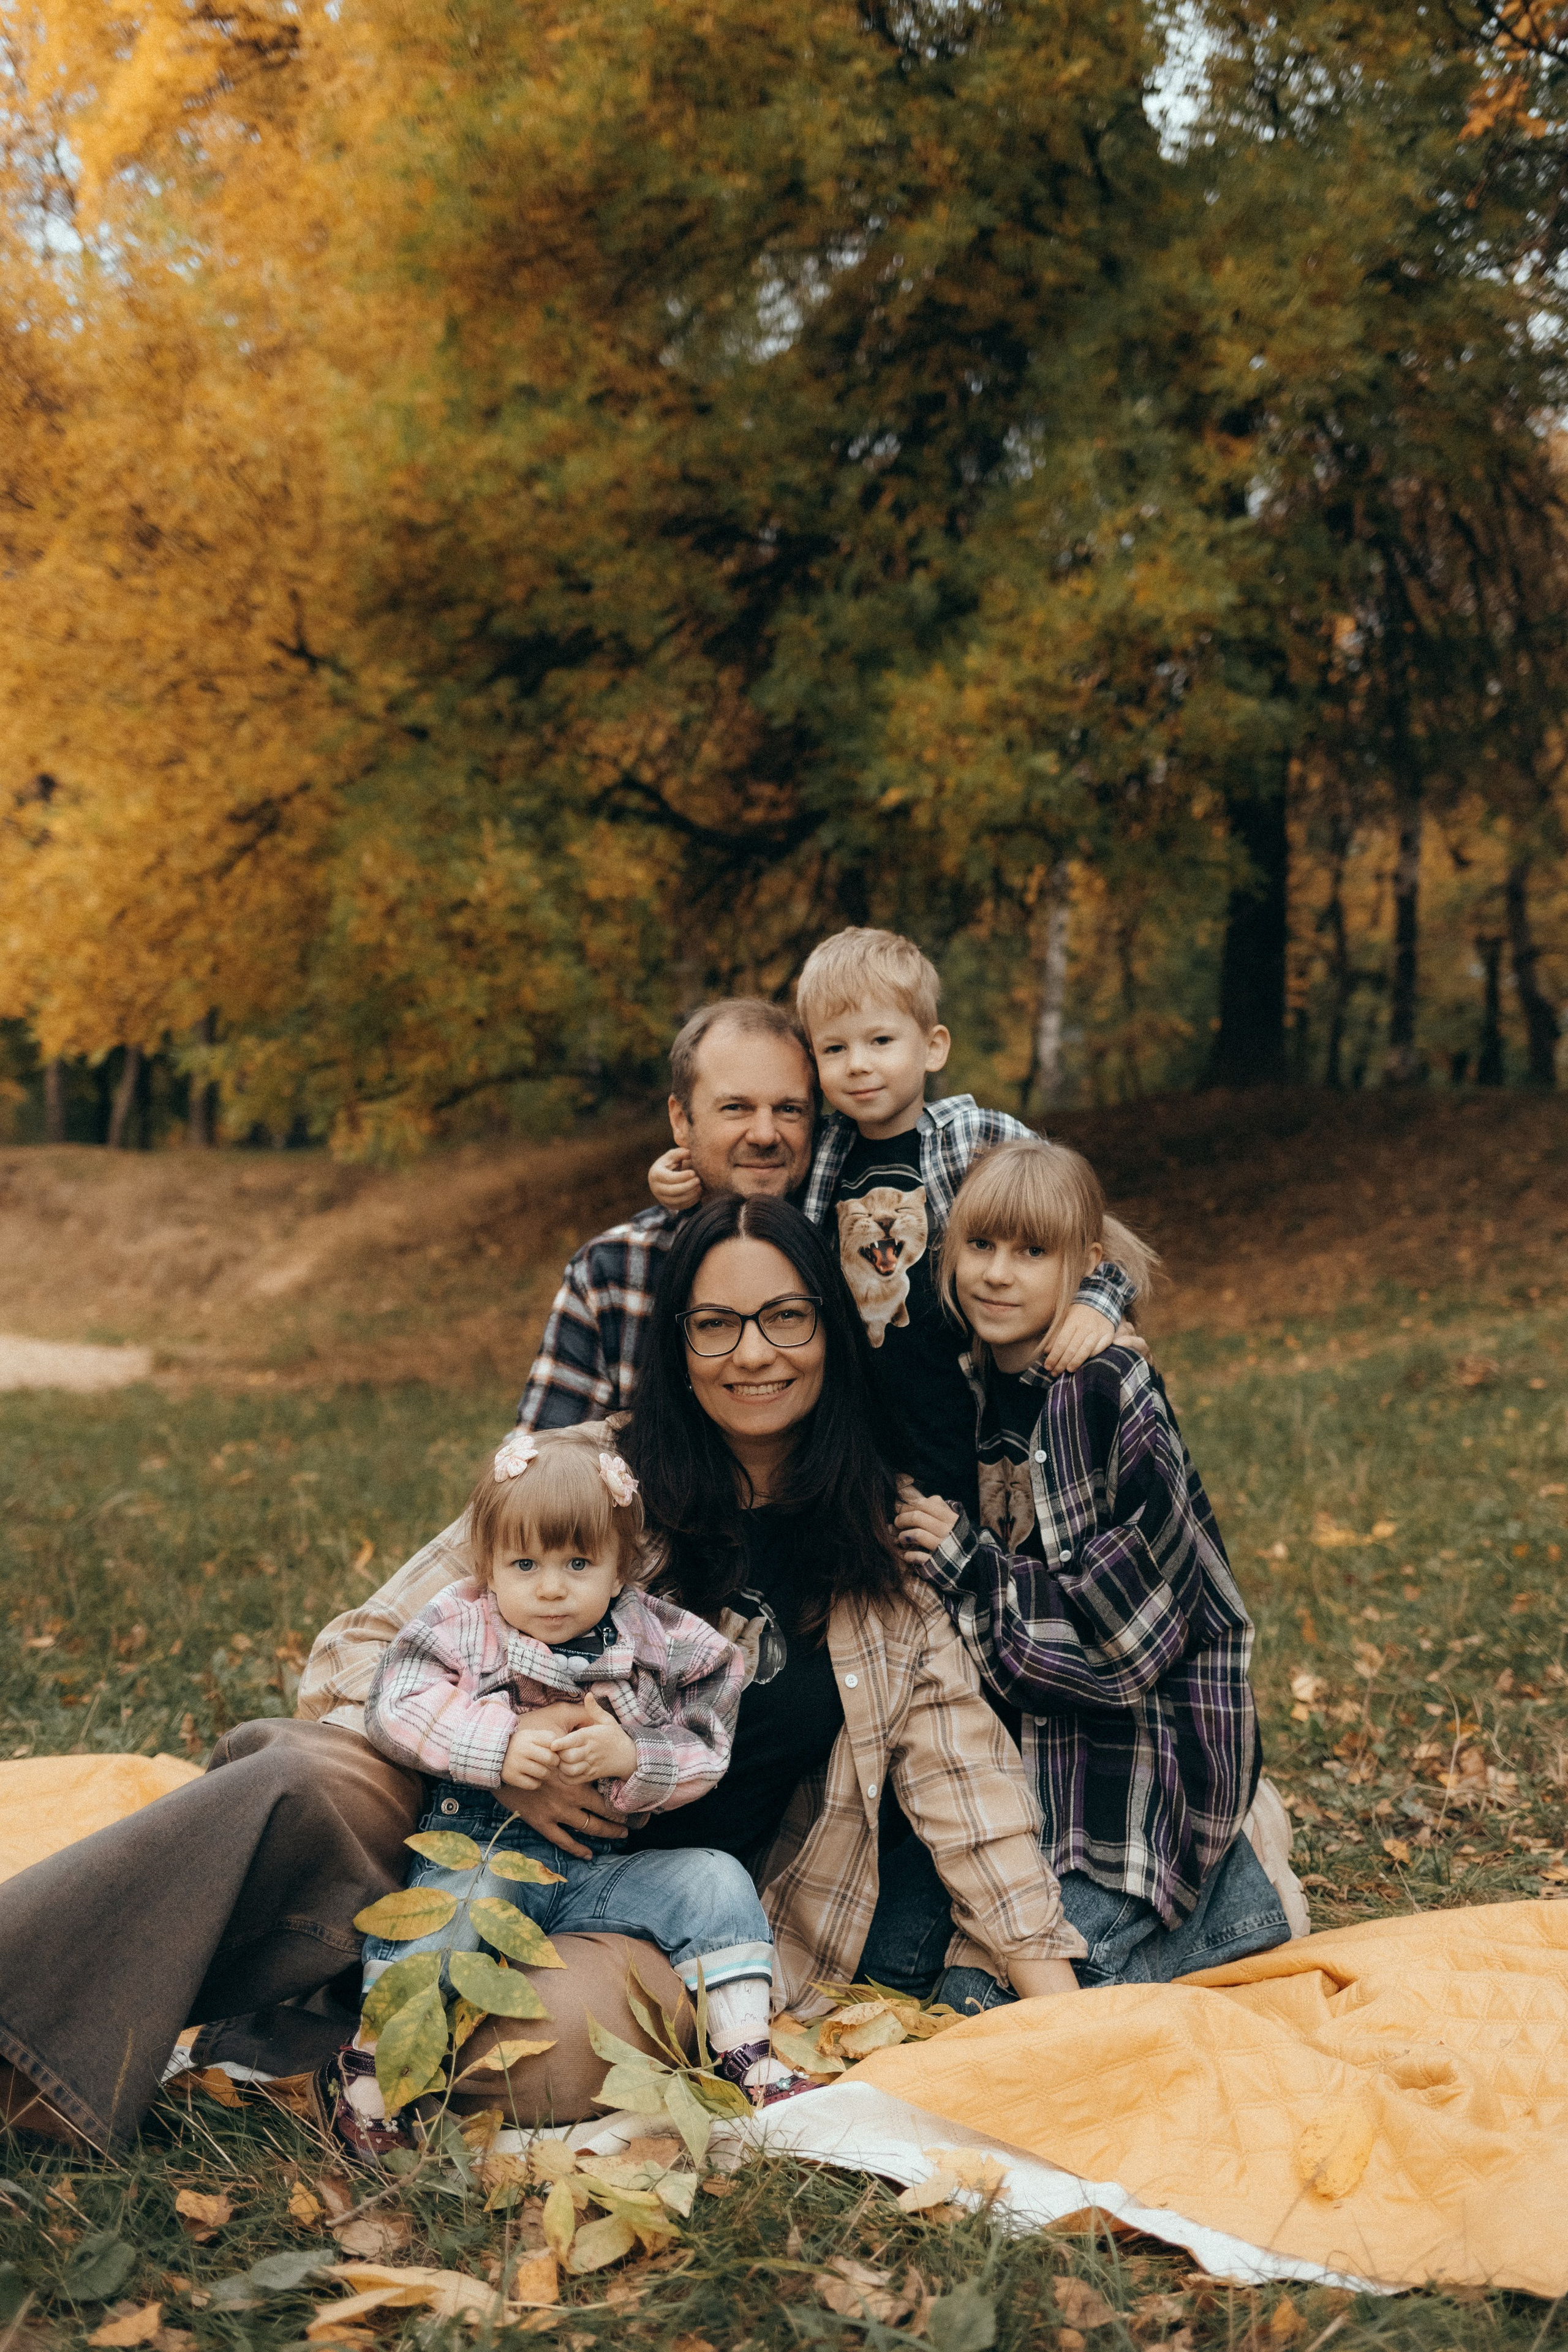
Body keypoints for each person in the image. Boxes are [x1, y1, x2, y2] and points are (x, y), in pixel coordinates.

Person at [306, 1193, 1090, 2029]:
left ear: (831, 1331)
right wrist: (499, 1755)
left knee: (546, 2034)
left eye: (787, 1317)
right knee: (293, 1773)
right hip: (454, 1848)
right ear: (677, 1347)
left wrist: (1066, 2019)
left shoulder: (883, 1559)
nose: (753, 1353)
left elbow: (970, 1795)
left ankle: (322, 2019)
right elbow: (353, 1652)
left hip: (655, 1917)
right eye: (716, 1324)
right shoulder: (584, 1480)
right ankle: (282, 1984)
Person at [891, 1137, 1297, 2001]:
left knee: (988, 2003)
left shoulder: (1105, 1390)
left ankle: (1237, 1898)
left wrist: (969, 1564)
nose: (999, 1275)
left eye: (1033, 1254)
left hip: (1136, 1758)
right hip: (1031, 1758)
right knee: (918, 1966)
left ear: (1085, 1266)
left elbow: (1128, 1644)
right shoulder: (959, 1382)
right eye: (981, 1247)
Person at [331, 1426, 791, 2155]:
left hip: (595, 1872)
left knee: (711, 1880)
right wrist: (500, 1744)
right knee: (447, 1922)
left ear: (619, 1571)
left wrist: (634, 1754)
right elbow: (395, 1703)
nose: (551, 1586)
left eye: (579, 1562)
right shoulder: (460, 1621)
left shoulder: (654, 1635)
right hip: (481, 1850)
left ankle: (750, 2056)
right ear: (487, 1566)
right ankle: (371, 2078)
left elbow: (711, 1724)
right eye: (525, 1563)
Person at [651, 927, 1135, 1518]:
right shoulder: (821, 1150)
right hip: (866, 1424)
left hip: (969, 1404)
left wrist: (1098, 1303)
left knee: (984, 1536)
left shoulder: (978, 1138)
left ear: (933, 1047)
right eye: (834, 1050)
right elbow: (748, 1186)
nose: (859, 1066)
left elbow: (1090, 1236)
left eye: (881, 1040)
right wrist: (682, 1180)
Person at [518, 998, 816, 1429]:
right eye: (736, 1108)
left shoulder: (850, 1246)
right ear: (681, 1119)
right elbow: (537, 1471)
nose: (766, 1134)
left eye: (790, 1109)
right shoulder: (614, 1272)